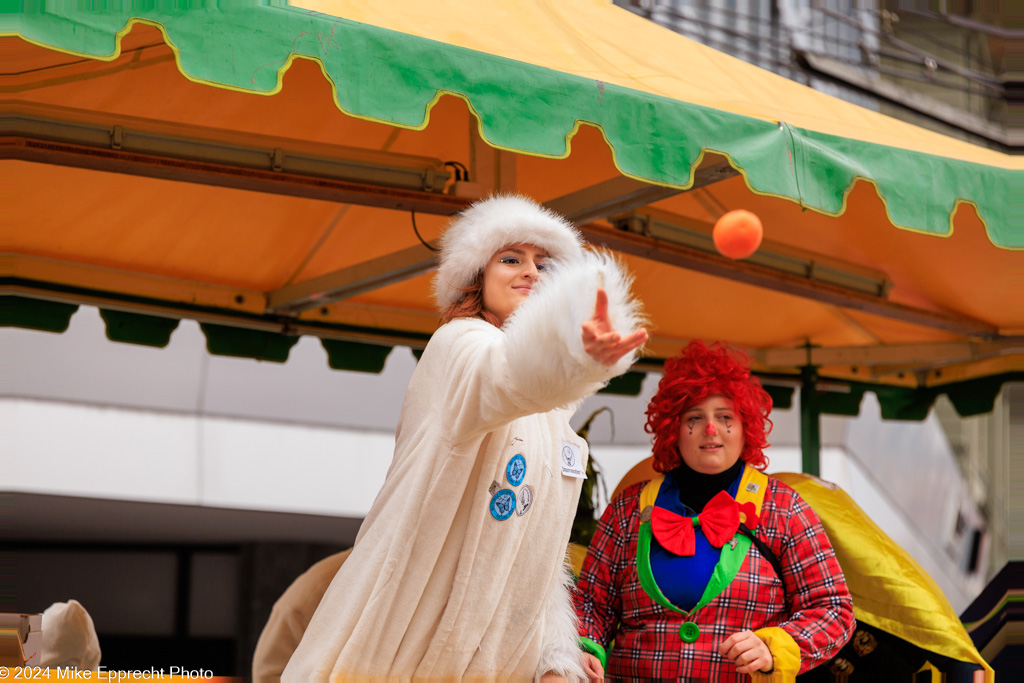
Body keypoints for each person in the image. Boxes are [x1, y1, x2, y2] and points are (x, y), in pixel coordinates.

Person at [283, 194, 647, 681]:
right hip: (402, 646)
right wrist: (574, 359)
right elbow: (503, 378)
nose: (530, 272)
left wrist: (554, 651)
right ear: (476, 275)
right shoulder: (460, 344)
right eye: (510, 258)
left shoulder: (556, 416)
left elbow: (534, 554)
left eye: (544, 264)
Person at [575, 341, 855, 681]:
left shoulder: (784, 508)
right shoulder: (628, 509)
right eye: (695, 418)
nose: (711, 429)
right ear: (673, 430)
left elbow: (834, 610)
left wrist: (774, 646)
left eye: (725, 417)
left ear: (745, 427)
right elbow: (591, 602)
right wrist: (586, 646)